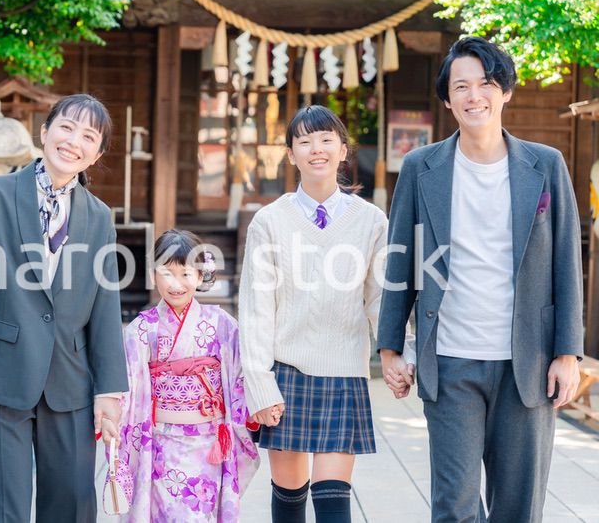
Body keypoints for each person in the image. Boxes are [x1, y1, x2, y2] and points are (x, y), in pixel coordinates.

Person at [377, 37, 583, 523]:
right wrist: (390, 349)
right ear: (447, 98)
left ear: (505, 91)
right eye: (461, 86)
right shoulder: (420, 167)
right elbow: (400, 262)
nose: (475, 96)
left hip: (527, 363)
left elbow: (566, 265)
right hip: (450, 362)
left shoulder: (546, 165)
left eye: (486, 83)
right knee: (455, 507)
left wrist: (567, 353)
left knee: (519, 507)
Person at [0, 94, 128, 522]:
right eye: (66, 127)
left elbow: (104, 307)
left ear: (96, 154)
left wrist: (109, 390)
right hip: (0, 374)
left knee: (72, 506)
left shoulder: (98, 218)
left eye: (88, 136)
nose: (73, 141)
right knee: (2, 508)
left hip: (72, 384)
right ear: (44, 131)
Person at [239, 105, 402, 522]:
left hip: (344, 370)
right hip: (286, 371)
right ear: (290, 154)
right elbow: (257, 308)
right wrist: (258, 383)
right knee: (289, 498)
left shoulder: (371, 221)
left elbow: (380, 298)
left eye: (327, 139)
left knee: (333, 501)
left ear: (343, 150)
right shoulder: (269, 221)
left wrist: (396, 353)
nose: (317, 149)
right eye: (305, 141)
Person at [115, 229, 260, 522]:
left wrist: (255, 407)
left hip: (208, 446)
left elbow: (241, 376)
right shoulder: (142, 329)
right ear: (154, 274)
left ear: (200, 274)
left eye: (185, 274)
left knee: (199, 514)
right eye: (167, 273)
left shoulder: (221, 324)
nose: (176, 284)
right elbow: (126, 386)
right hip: (159, 445)